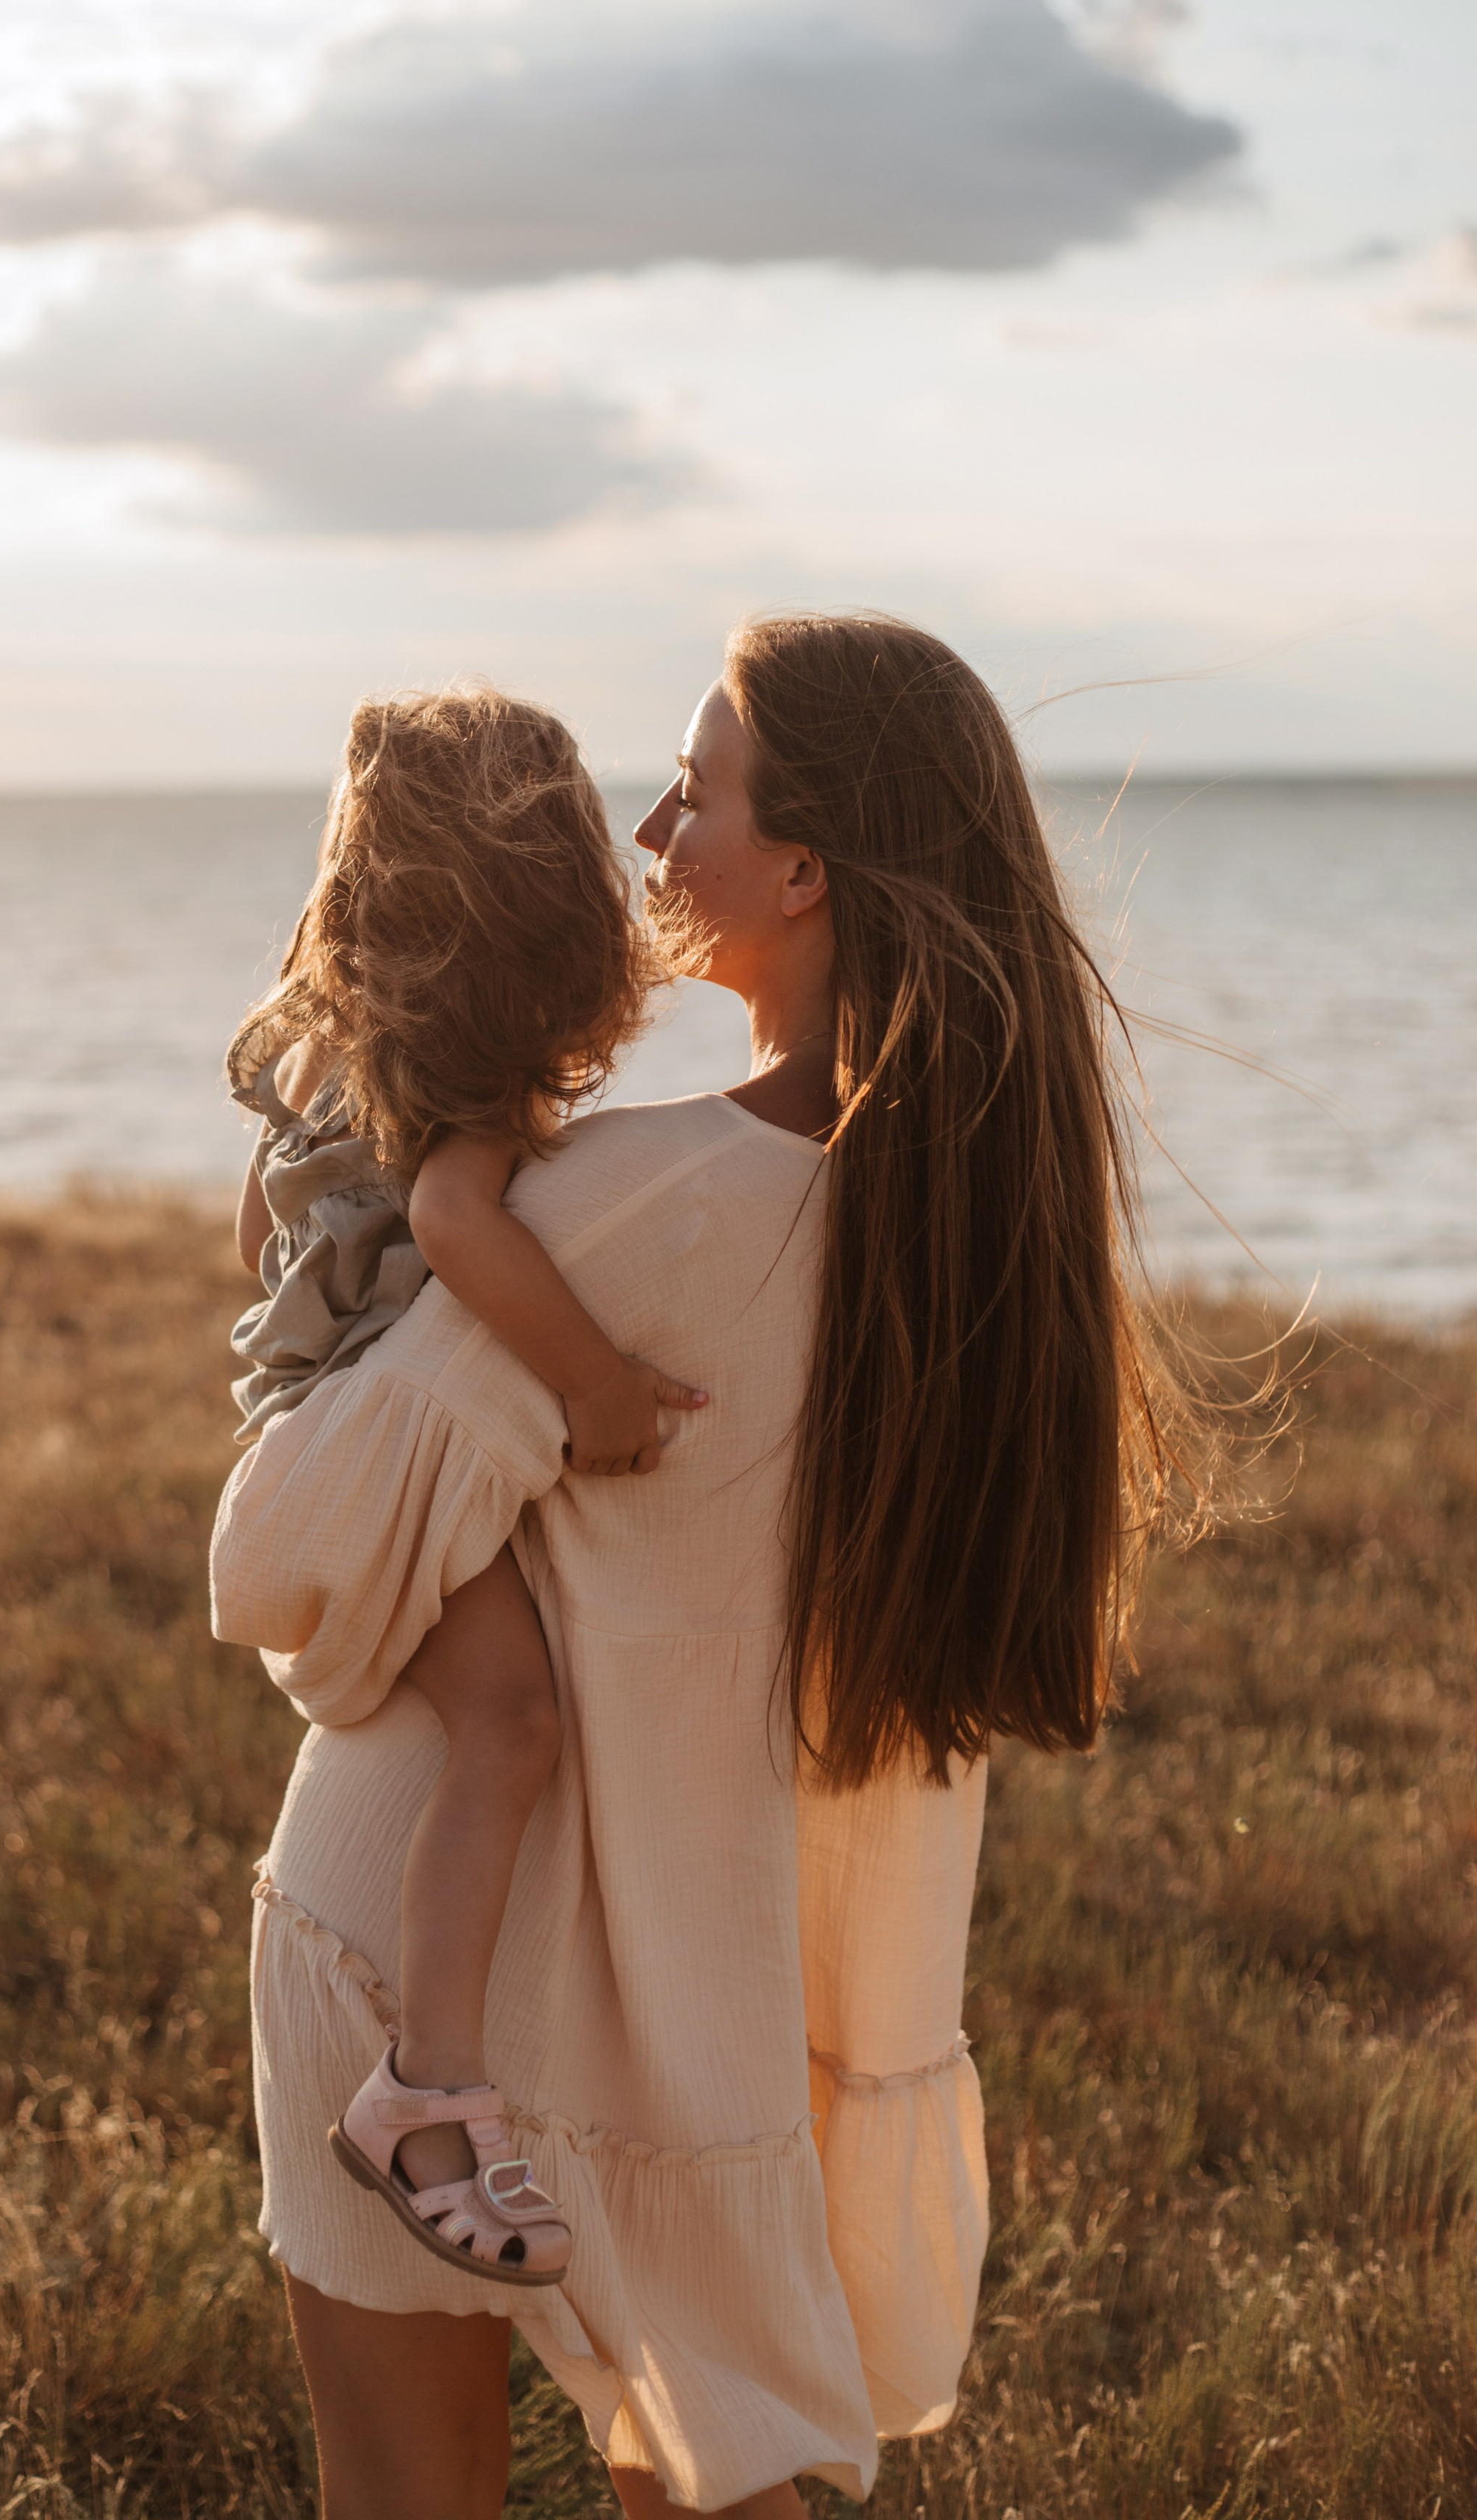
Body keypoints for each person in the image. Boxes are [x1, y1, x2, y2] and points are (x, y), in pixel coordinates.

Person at [211, 616, 1195, 2517]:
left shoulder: (617, 1202)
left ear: (803, 867)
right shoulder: (985, 1252)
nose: (649, 835)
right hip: (718, 2001)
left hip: (416, 1948)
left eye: (693, 792)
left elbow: (282, 1567)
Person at [228, 685, 704, 2284]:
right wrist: (594, 1384)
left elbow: (256, 1242)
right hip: (368, 1452)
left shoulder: (329, 1047)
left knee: (493, 1718)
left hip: (294, 1418)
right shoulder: (476, 1095)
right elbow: (451, 1222)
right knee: (511, 1724)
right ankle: (425, 2089)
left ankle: (435, 2078)